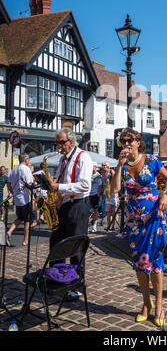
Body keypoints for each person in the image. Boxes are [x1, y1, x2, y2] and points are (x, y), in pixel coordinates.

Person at [111, 128, 167, 328]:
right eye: (123, 141)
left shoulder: (151, 161)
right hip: (134, 221)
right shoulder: (122, 164)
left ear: (138, 142)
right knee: (139, 262)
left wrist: (165, 194)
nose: (126, 144)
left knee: (155, 261)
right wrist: (119, 165)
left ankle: (159, 307)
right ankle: (146, 303)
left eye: (130, 140)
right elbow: (115, 189)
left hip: (155, 217)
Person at [50, 127, 93, 300]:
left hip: (78, 205)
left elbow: (84, 186)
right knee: (56, 243)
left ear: (72, 141)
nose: (59, 146)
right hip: (65, 205)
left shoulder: (83, 157)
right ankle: (56, 279)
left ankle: (76, 284)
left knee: (76, 248)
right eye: (57, 143)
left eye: (62, 142)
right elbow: (62, 182)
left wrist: (59, 187)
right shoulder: (62, 160)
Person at [6, 154, 34, 246]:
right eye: (28, 159)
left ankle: (9, 232)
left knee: (19, 218)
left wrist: (12, 192)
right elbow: (29, 185)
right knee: (27, 220)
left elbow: (8, 183)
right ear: (26, 160)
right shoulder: (26, 169)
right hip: (26, 199)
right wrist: (33, 199)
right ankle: (25, 240)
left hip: (17, 198)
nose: (29, 161)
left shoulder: (14, 170)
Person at [88, 164, 103, 233]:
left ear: (95, 167)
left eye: (92, 166)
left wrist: (98, 194)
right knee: (87, 210)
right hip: (89, 194)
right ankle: (87, 225)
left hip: (95, 195)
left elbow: (100, 185)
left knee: (95, 211)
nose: (91, 168)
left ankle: (94, 226)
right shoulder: (89, 174)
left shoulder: (98, 176)